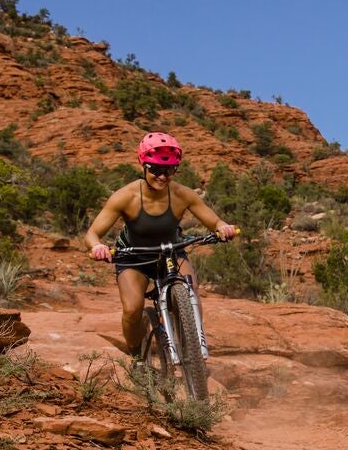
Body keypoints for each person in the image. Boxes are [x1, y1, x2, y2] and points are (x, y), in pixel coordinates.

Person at [85, 132, 237, 357]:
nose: (162, 176)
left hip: (171, 253)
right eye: (155, 169)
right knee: (132, 309)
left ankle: (193, 353)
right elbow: (92, 234)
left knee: (191, 293)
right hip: (134, 257)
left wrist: (223, 227)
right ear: (143, 166)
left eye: (169, 170)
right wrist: (97, 246)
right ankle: (137, 356)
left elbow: (215, 221)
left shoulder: (182, 195)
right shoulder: (125, 197)